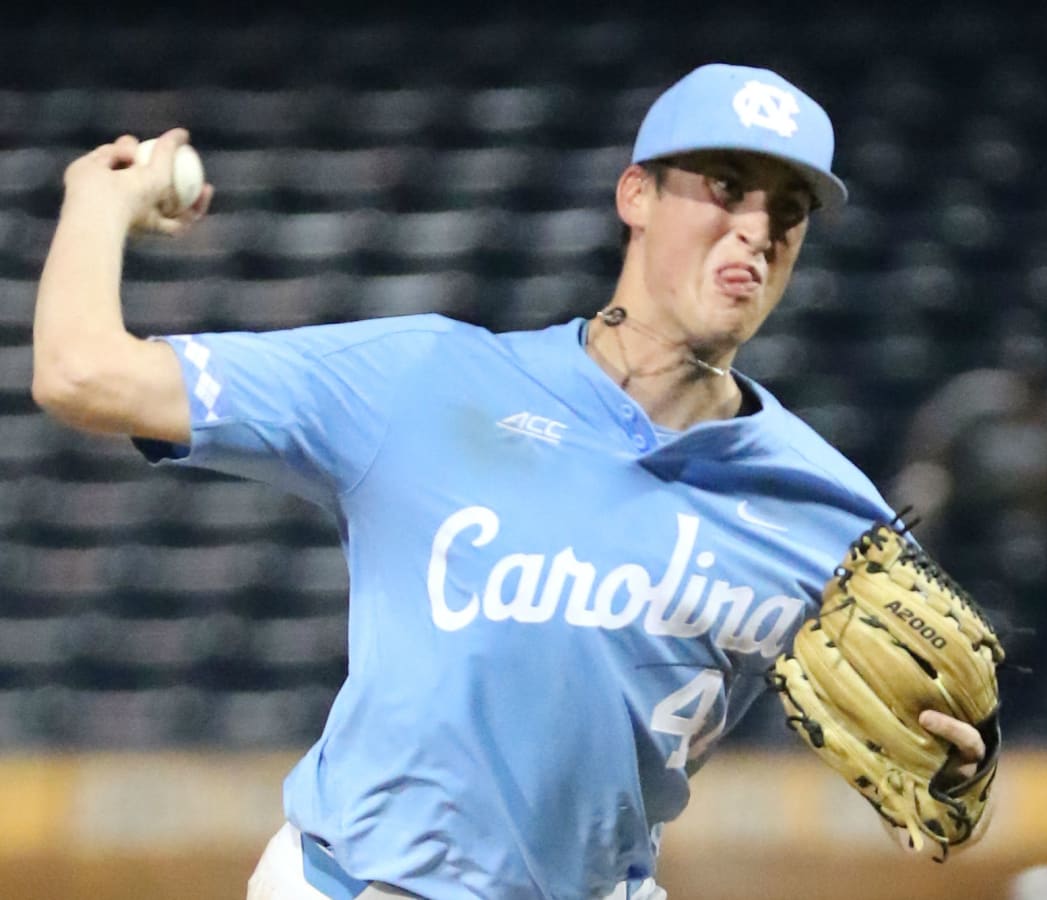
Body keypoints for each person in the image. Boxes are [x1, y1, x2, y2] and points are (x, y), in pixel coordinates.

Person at [32, 63, 992, 900]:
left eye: (787, 213)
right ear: (637, 197)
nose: (756, 231)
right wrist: (95, 202)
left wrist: (959, 775)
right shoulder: (425, 382)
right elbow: (81, 373)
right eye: (726, 188)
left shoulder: (829, 511)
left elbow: (943, 769)